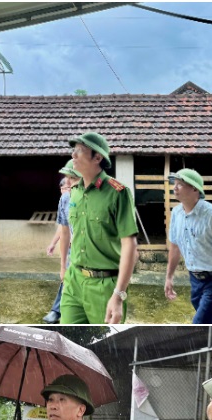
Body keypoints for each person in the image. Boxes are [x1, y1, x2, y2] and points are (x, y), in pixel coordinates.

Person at [61, 132, 138, 324]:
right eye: (73, 150)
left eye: (79, 151)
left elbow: (130, 245)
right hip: (74, 280)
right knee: (67, 338)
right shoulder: (75, 193)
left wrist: (119, 294)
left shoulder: (117, 193)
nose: (73, 156)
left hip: (104, 285)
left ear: (97, 157)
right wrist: (64, 268)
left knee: (105, 339)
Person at [163, 169, 212, 324]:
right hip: (195, 280)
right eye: (174, 184)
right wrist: (169, 277)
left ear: (194, 189)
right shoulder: (176, 213)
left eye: (180, 184)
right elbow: (175, 247)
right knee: (211, 322)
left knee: (200, 324)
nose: (174, 188)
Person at [43, 163, 80, 324]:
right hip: (74, 250)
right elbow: (63, 229)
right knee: (67, 278)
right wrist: (62, 265)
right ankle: (57, 311)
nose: (69, 186)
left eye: (73, 180)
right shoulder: (65, 200)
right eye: (67, 183)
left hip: (94, 253)